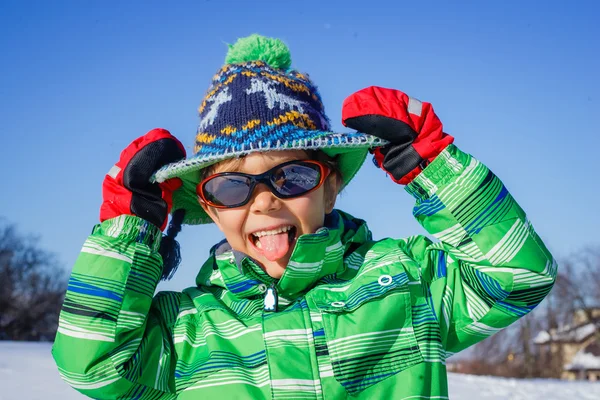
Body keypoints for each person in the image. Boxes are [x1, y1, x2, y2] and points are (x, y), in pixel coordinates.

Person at [52, 34, 557, 399]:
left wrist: (430, 166)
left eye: (291, 178)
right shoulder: (188, 329)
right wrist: (129, 230)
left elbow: (518, 275)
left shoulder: (408, 286)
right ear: (207, 205)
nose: (265, 202)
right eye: (232, 186)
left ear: (330, 184)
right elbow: (94, 367)